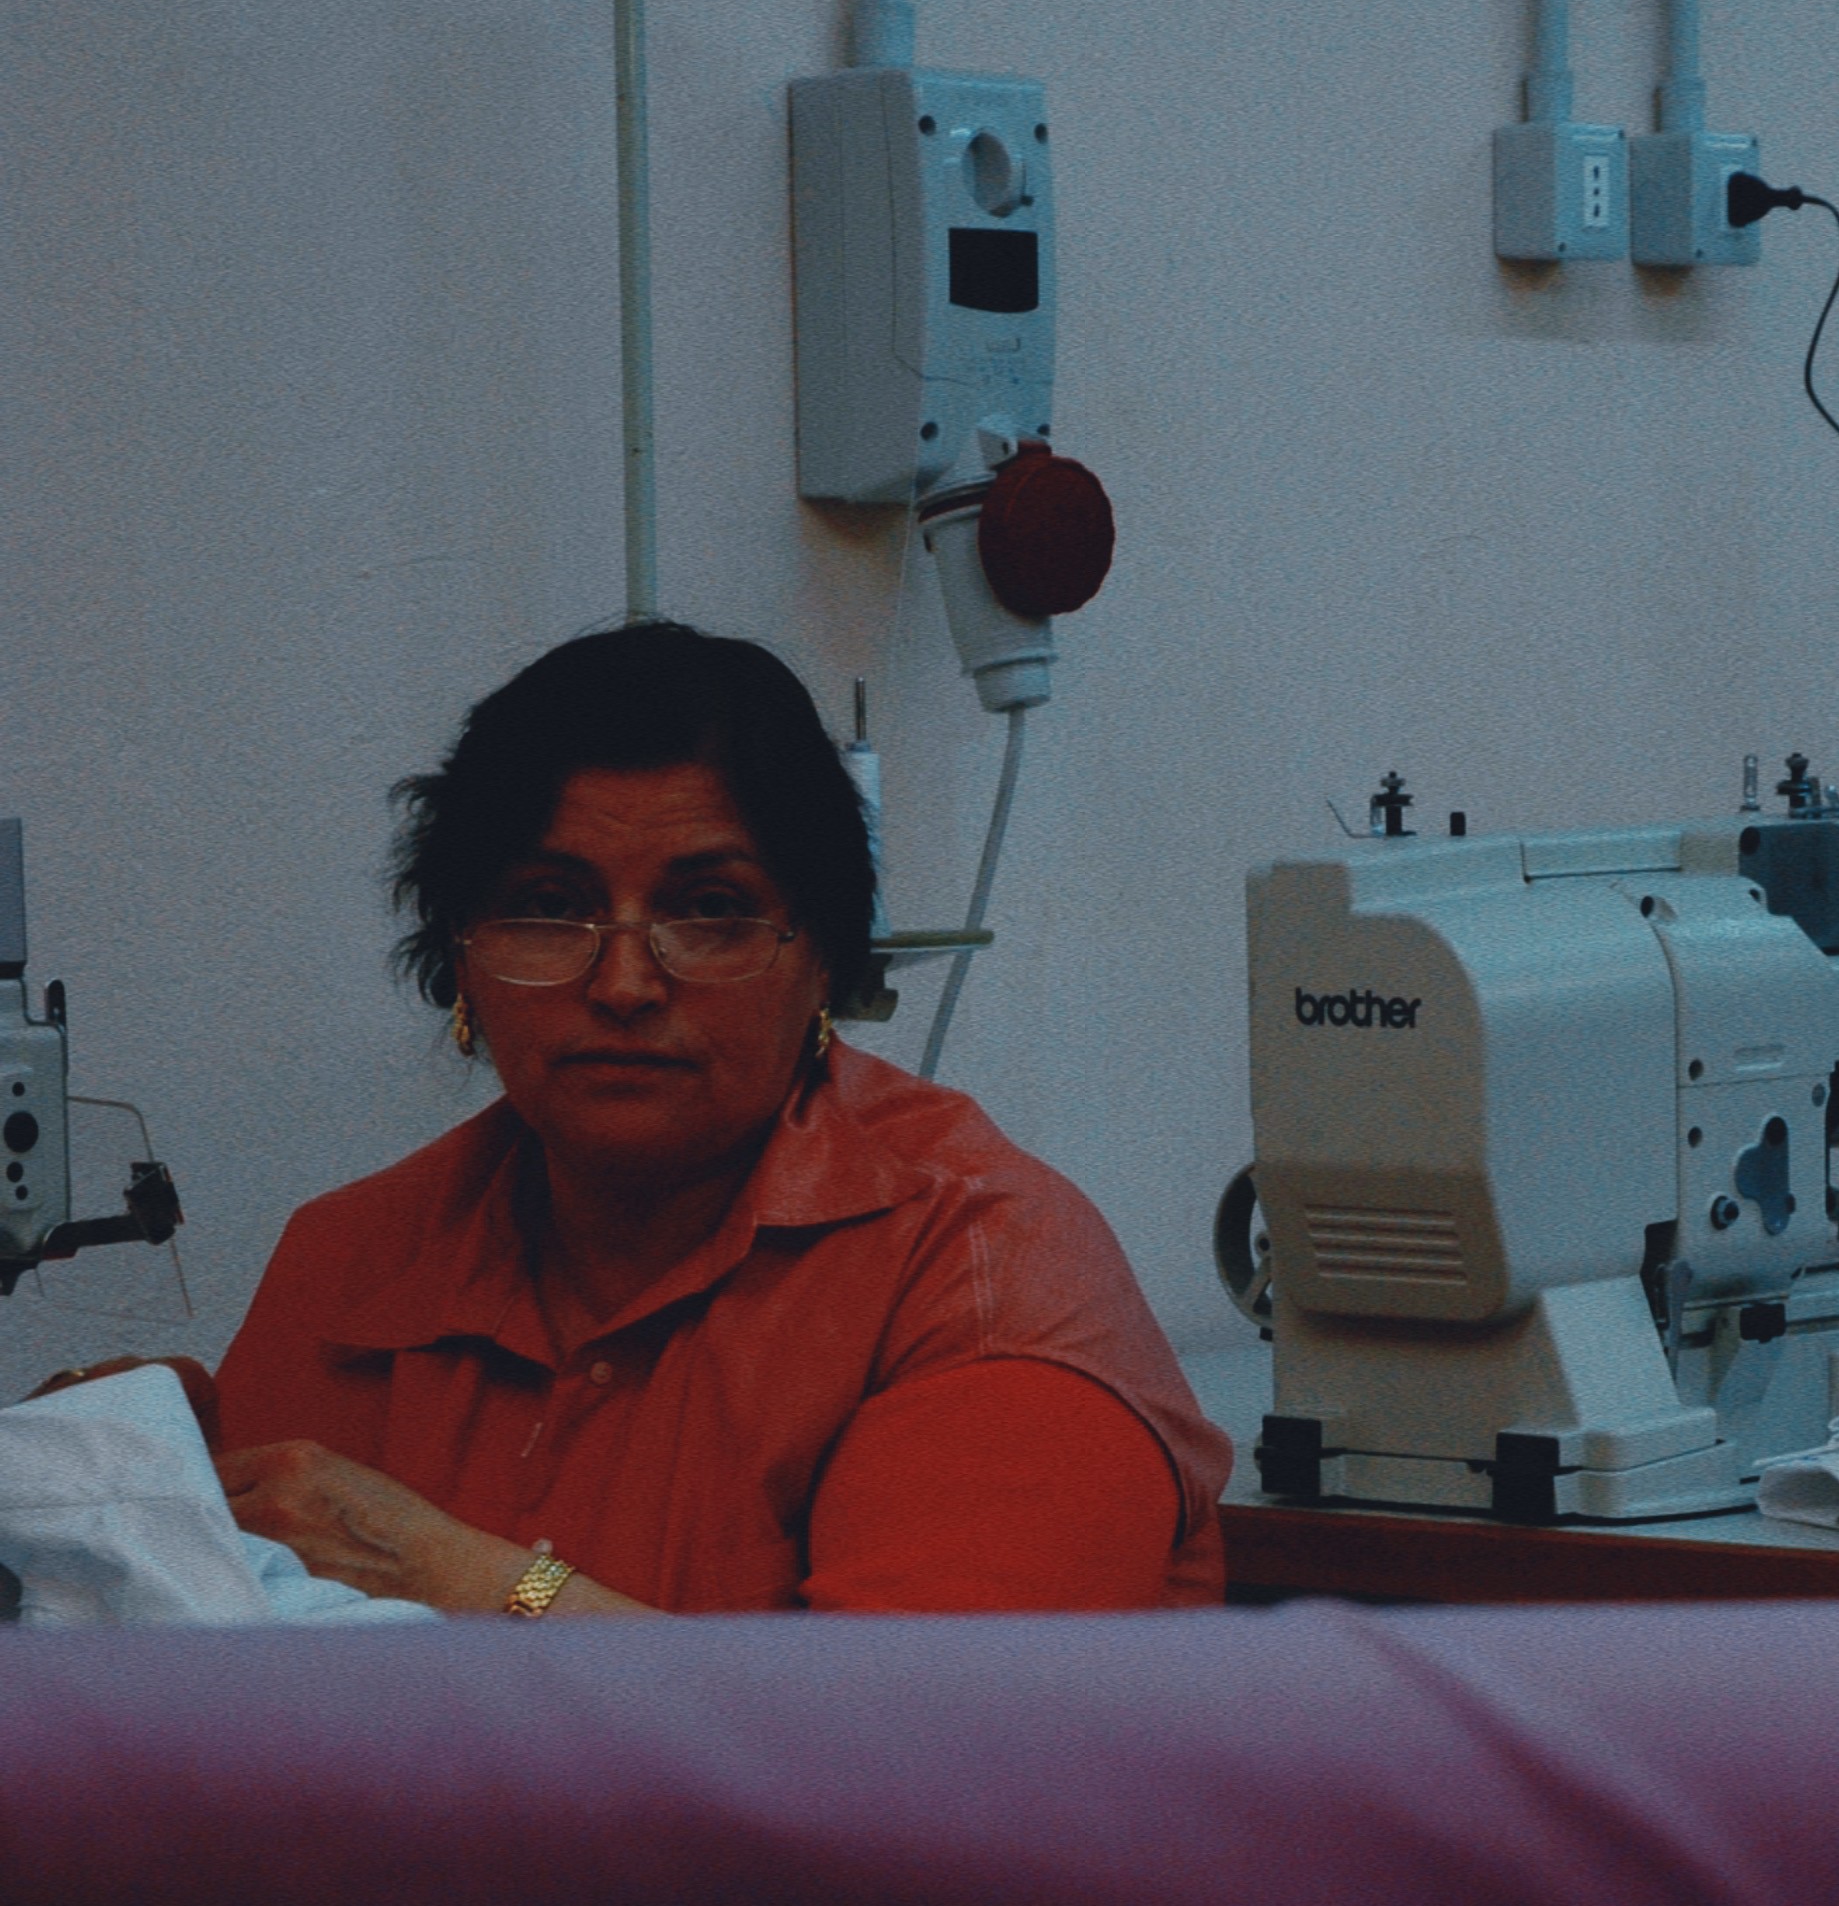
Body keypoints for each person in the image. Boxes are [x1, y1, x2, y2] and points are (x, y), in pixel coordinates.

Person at [204, 622, 1230, 1616]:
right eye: (550, 906)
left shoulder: (985, 1274)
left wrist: (463, 1580)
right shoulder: (348, 1262)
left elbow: (904, 1733)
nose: (623, 984)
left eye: (709, 910)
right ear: (461, 959)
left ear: (823, 959)